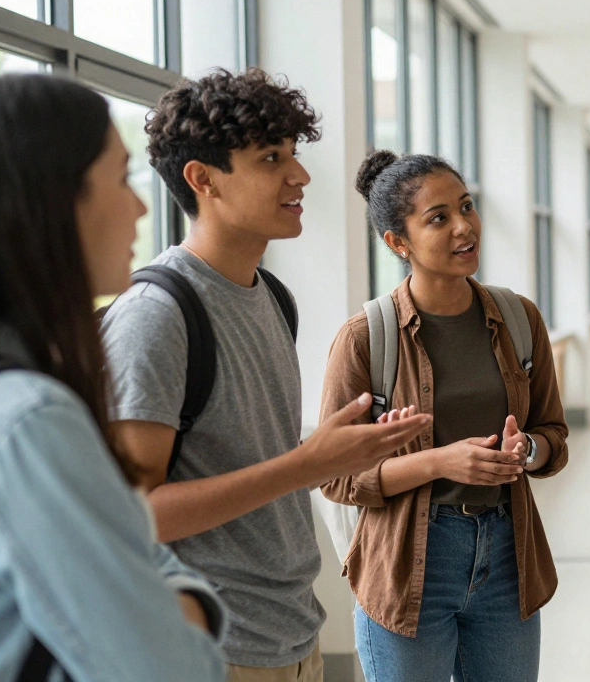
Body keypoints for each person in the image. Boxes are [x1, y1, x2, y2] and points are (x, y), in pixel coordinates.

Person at [102, 69, 431, 681]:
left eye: (294, 154)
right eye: (271, 158)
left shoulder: (273, 296)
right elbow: (132, 512)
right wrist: (308, 463)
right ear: (202, 179)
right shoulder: (155, 317)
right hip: (208, 645)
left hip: (290, 632)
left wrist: (331, 452)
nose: (299, 175)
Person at [0, 73, 226, 680]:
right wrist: (188, 601)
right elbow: (167, 668)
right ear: (53, 200)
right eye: (121, 179)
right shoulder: (27, 422)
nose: (142, 206)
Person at [319, 150, 569, 682]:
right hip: (408, 565)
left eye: (467, 206)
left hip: (507, 557)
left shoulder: (519, 318)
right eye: (439, 218)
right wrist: (439, 462)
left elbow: (553, 434)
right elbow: (336, 476)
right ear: (397, 242)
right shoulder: (364, 339)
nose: (464, 227)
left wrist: (527, 449)